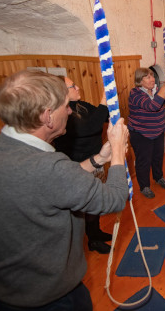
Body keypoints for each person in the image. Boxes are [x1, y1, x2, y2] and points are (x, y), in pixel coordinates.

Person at [0, 70, 129, 310]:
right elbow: (115, 198)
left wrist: (98, 159)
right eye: (66, 106)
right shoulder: (51, 168)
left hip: (7, 291)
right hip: (52, 297)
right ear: (47, 116)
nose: (70, 111)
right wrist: (119, 152)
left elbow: (55, 183)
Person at [54, 76, 113, 254]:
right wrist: (104, 101)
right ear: (61, 93)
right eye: (72, 86)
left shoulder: (81, 105)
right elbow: (90, 128)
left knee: (95, 201)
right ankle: (89, 241)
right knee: (83, 206)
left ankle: (95, 232)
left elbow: (101, 117)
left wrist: (111, 111)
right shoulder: (64, 114)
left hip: (96, 160)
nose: (77, 87)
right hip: (79, 165)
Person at [128, 67, 165, 198]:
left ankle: (158, 177)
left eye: (152, 76)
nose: (152, 79)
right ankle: (144, 186)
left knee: (158, 157)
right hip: (141, 133)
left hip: (158, 131)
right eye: (148, 77)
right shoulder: (135, 94)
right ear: (139, 81)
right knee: (144, 161)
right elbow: (152, 106)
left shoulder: (156, 90)